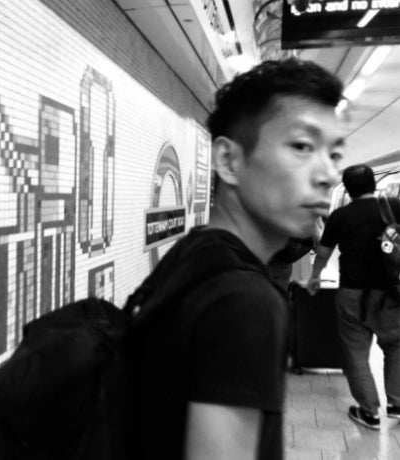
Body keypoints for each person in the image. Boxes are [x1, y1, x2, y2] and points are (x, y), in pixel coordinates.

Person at [127, 58, 344, 460]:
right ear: (229, 161)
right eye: (301, 146)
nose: (328, 174)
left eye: (334, 154)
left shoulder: (197, 253)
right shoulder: (246, 302)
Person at [307, 164, 400, 430]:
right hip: (392, 293)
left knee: (356, 353)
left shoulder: (340, 216)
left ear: (347, 189)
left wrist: (315, 276)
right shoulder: (394, 206)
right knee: (396, 347)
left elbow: (323, 252)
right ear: (374, 184)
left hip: (353, 293)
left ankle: (369, 412)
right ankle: (397, 403)